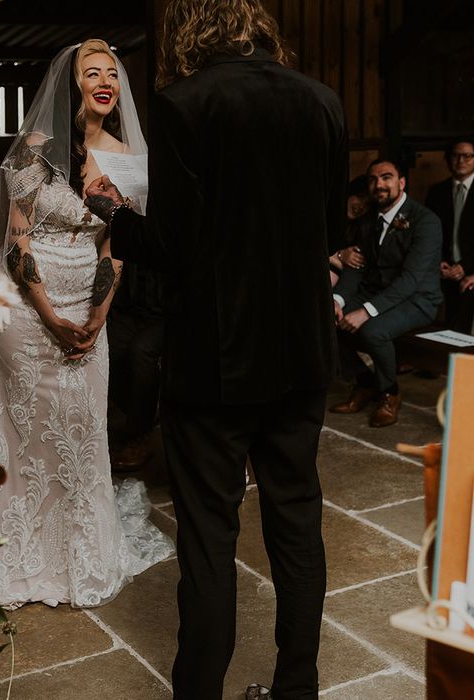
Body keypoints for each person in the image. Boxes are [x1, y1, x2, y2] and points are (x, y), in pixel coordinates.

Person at [84, 1, 347, 698]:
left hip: (217, 363)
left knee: (209, 539)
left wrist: (112, 211)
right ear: (258, 27)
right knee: (297, 526)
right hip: (300, 356)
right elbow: (326, 226)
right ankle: (298, 689)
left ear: (191, 30)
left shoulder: (183, 105)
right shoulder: (323, 102)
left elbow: (170, 246)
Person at [0, 39, 174, 610]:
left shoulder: (128, 155)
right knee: (27, 431)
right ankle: (19, 547)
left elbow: (118, 247)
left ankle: (79, 550)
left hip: (88, 307)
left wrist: (94, 316)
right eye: (93, 72)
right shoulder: (38, 149)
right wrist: (51, 316)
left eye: (113, 72)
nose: (106, 80)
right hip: (27, 308)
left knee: (82, 426)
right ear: (73, 84)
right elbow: (17, 241)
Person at [330, 158, 443, 426]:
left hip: (417, 299)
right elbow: (356, 268)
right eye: (372, 179)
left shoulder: (425, 221)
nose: (378, 184)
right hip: (377, 293)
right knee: (324, 319)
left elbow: (411, 279)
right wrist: (337, 300)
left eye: (386, 177)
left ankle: (390, 392)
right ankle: (365, 382)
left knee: (373, 330)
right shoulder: (368, 220)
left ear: (401, 183)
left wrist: (365, 312)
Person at [106, 256, 164, 471]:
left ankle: (140, 433)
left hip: (169, 312)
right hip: (129, 306)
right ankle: (144, 413)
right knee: (105, 348)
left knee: (141, 352)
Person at [425, 137, 474, 334]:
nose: (461, 161)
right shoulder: (437, 191)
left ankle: (460, 359)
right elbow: (430, 234)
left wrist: (467, 268)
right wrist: (439, 261)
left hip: (471, 272)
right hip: (443, 268)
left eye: (468, 156)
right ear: (447, 159)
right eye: (455, 155)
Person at [328, 175, 369, 287]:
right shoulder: (325, 216)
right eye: (360, 197)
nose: (361, 206)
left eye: (367, 204)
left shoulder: (357, 230)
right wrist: (339, 256)